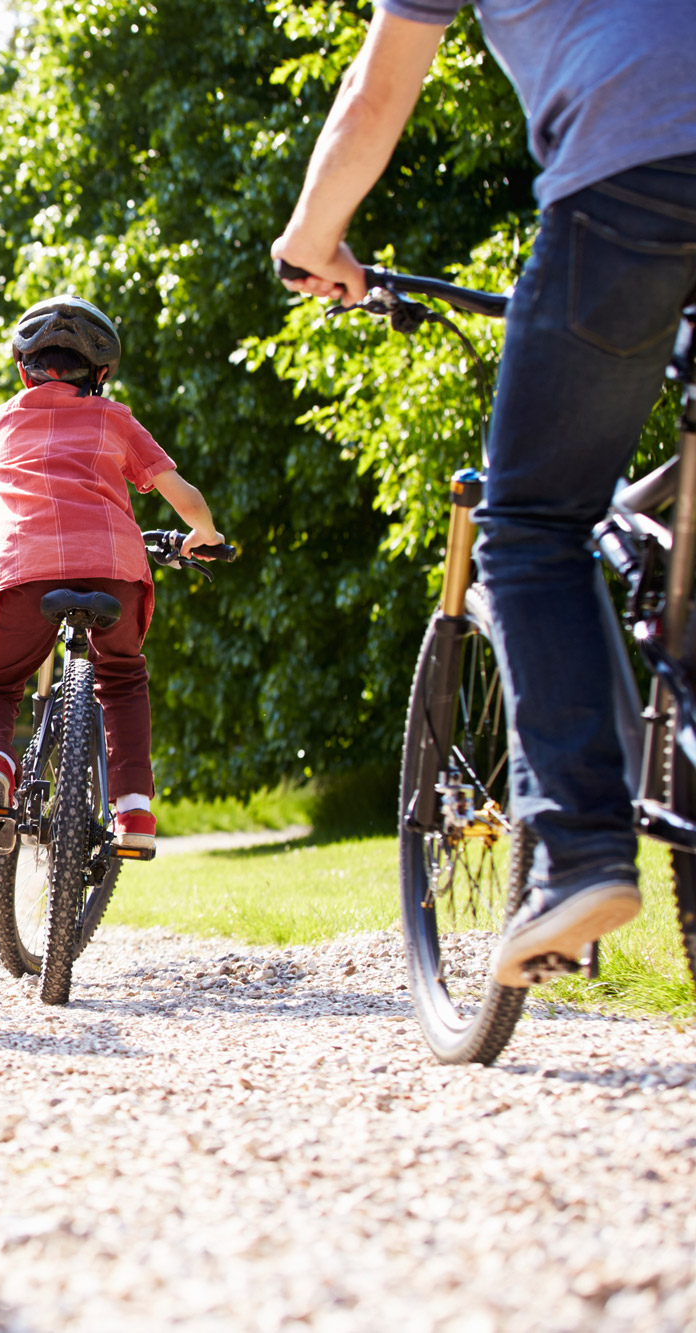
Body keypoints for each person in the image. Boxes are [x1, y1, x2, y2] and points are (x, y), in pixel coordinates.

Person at [270, 2, 696, 986]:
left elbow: (374, 96)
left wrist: (309, 241)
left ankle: (579, 852)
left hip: (631, 174)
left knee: (528, 527)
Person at [0, 296, 223, 854]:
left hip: (22, 572)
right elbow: (181, 494)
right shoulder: (114, 416)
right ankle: (134, 811)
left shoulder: (0, 419)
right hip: (113, 568)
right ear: (99, 374)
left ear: (25, 369)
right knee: (120, 677)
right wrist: (206, 535)